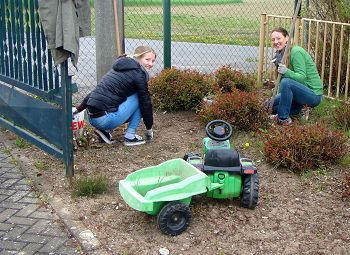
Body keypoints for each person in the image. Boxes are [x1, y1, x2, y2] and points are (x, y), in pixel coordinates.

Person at [75, 46, 156, 146]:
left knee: (125, 96)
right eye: (147, 59)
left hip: (92, 118)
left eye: (153, 61)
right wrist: (149, 128)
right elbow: (145, 102)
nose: (150, 64)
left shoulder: (119, 68)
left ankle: (104, 131)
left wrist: (77, 110)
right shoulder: (138, 74)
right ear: (138, 57)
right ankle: (130, 137)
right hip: (105, 119)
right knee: (140, 98)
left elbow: (95, 93)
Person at [269, 27, 323, 125]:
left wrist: (286, 71)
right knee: (271, 107)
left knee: (287, 83)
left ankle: (283, 119)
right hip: (297, 96)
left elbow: (302, 78)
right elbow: (282, 84)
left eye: (278, 38)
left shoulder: (296, 52)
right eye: (273, 40)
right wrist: (274, 100)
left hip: (312, 94)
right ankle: (301, 109)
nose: (276, 41)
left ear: (287, 38)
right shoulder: (281, 55)